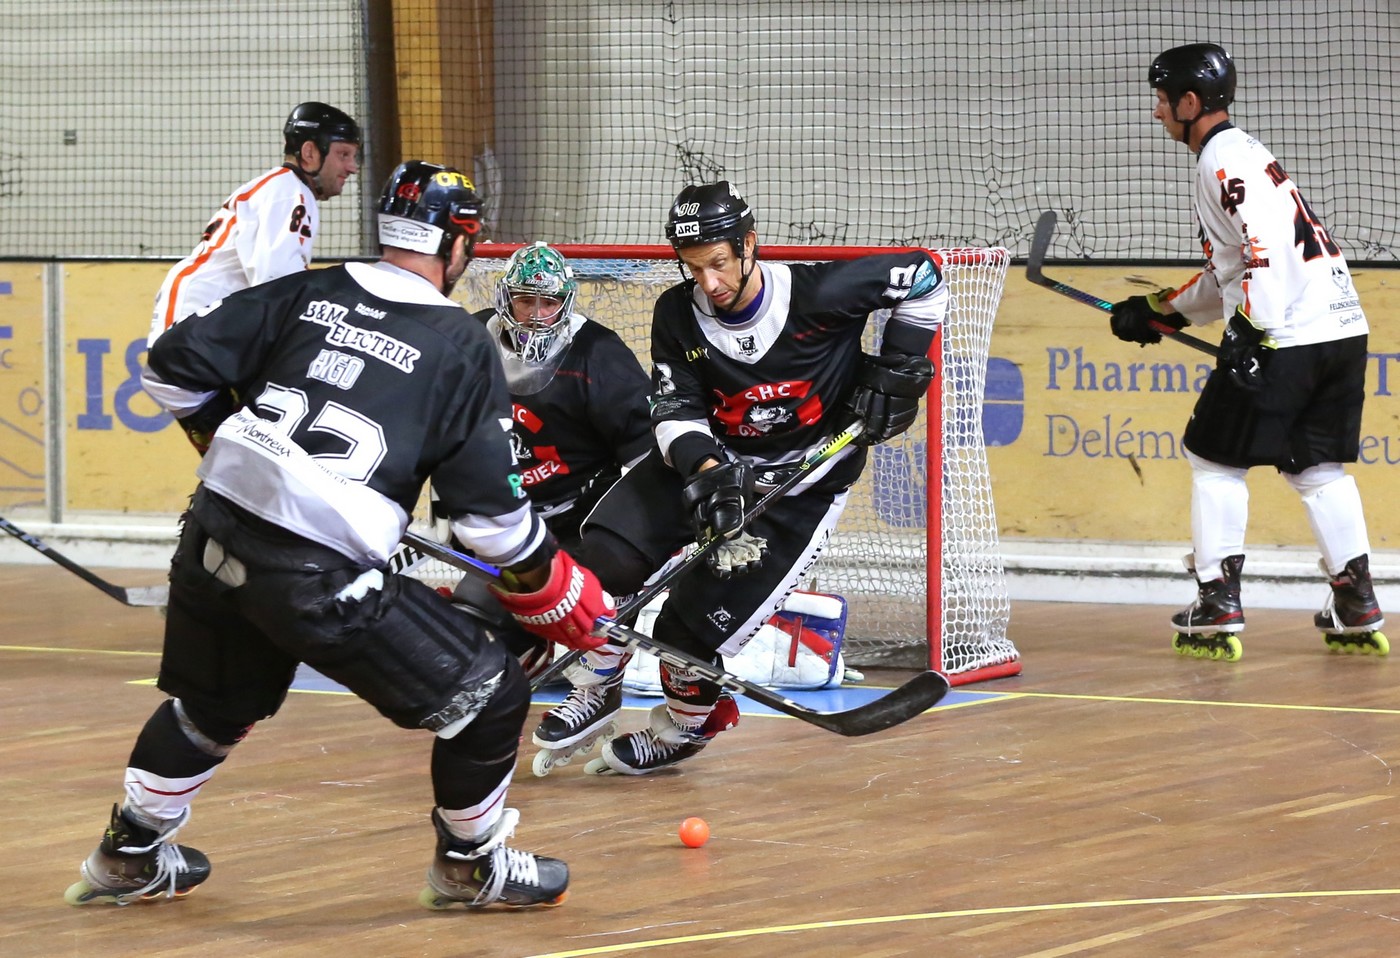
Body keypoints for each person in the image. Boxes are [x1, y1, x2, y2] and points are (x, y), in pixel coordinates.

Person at [63, 160, 616, 910]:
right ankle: (469, 867)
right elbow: (490, 525)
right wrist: (559, 584)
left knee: (213, 708)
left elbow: (167, 368)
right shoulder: (461, 343)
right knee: (492, 694)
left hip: (214, 528)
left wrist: (227, 442)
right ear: (459, 244)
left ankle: (126, 855)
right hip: (313, 571)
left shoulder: (307, 291)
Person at [532, 179, 944, 776]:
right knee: (600, 563)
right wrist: (709, 474)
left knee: (685, 634)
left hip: (798, 490)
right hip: (705, 469)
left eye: (719, 263)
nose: (709, 283)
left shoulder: (820, 293)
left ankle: (686, 727)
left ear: (749, 244)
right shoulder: (677, 313)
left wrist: (901, 368)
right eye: (693, 267)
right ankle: (598, 685)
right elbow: (676, 412)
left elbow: (924, 275)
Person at [1109, 43, 1386, 659]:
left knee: (1212, 457)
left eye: (1162, 100)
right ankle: (1356, 599)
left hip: (1287, 331)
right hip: (1338, 329)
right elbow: (1235, 270)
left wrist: (1251, 332)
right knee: (1315, 468)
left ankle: (1217, 599)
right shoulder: (1245, 153)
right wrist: (1161, 310)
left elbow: (1265, 253)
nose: (1156, 111)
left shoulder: (1220, 161)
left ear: (1189, 102)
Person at [442, 240, 651, 707]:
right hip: (508, 521)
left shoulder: (598, 353)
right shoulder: (472, 340)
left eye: (548, 302)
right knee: (469, 637)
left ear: (566, 302)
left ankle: (595, 679)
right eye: (525, 300)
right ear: (506, 297)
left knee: (596, 602)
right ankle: (530, 645)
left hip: (578, 524)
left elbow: (645, 454)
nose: (536, 315)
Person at [147, 102, 362, 346]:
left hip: (206, 315)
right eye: (343, 155)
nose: (352, 167)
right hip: (199, 317)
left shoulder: (286, 188)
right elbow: (276, 279)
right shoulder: (289, 192)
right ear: (310, 152)